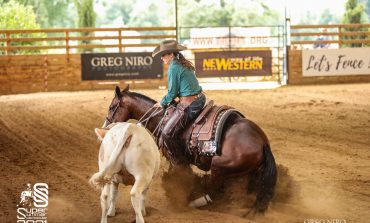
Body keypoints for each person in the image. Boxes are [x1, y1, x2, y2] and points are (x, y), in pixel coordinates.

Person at [152, 39, 206, 158]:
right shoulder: (181, 63)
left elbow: (172, 92)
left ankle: (180, 162)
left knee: (167, 133)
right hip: (199, 98)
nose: (162, 58)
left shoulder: (174, 67)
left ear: (171, 54)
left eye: (163, 55)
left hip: (191, 104)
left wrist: (162, 103)